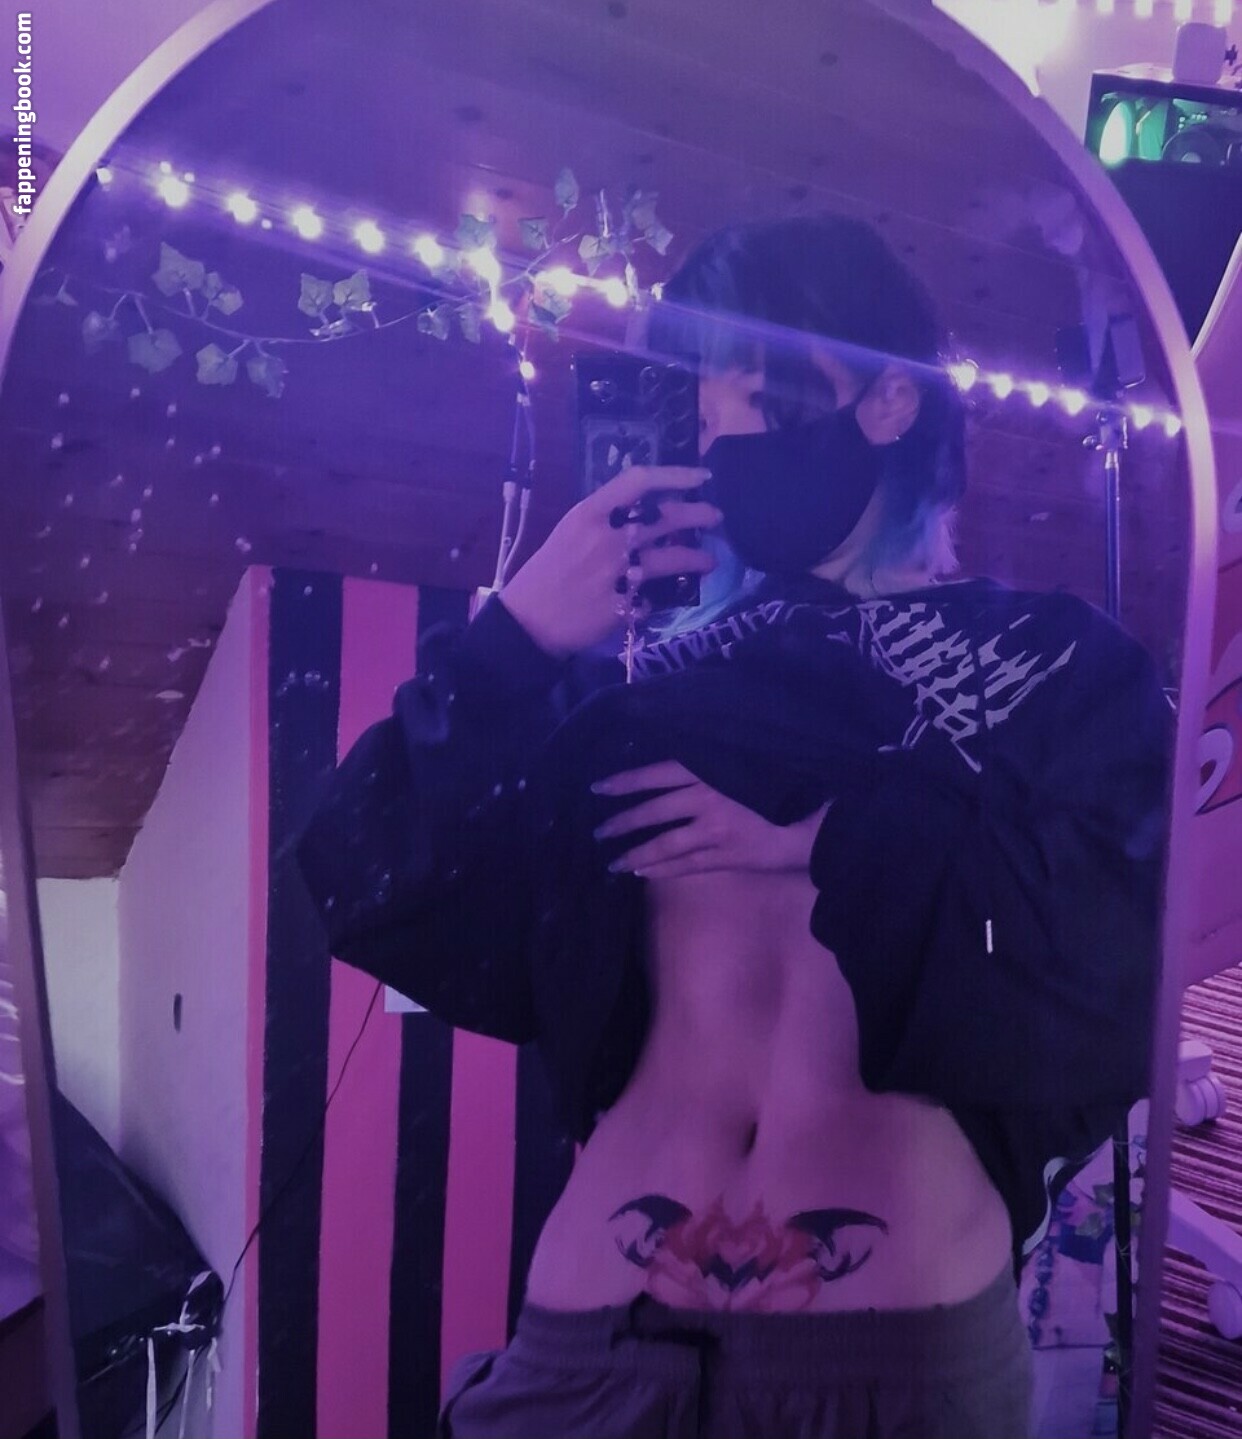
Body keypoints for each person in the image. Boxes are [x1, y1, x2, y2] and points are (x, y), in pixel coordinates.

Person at [296, 216, 1171, 1439]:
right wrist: (513, 640)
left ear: (885, 401)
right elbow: (368, 875)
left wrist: (833, 838)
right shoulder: (634, 686)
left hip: (888, 1371)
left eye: (752, 395)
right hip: (588, 1353)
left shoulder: (1058, 663)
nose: (720, 443)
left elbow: (1122, 959)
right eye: (701, 416)